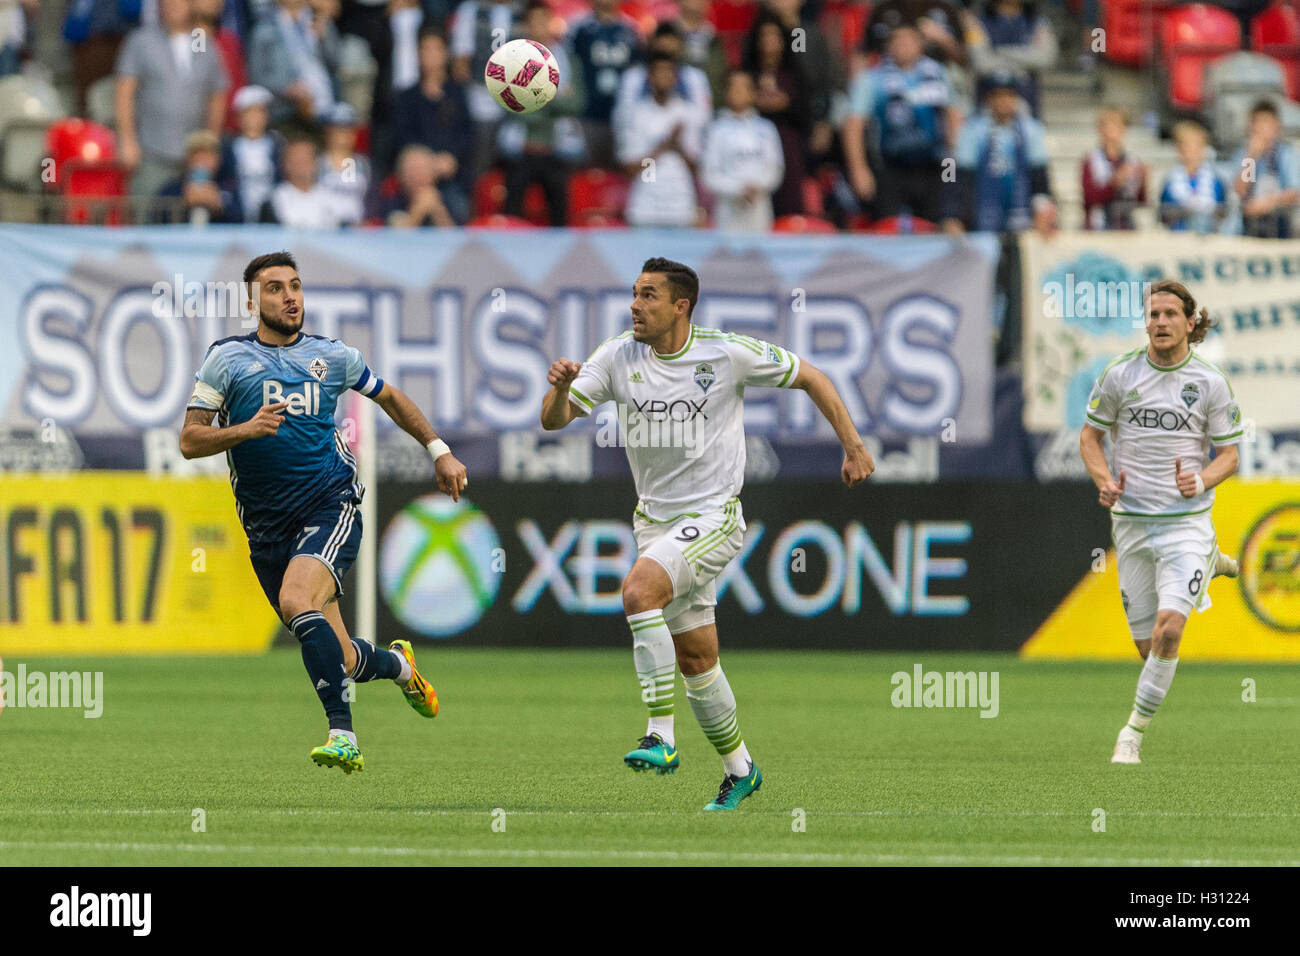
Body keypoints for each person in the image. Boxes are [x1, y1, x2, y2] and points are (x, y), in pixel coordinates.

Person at [540, 257, 875, 810]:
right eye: (633, 294)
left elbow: (813, 376)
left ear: (680, 306)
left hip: (715, 516)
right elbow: (554, 420)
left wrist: (854, 446)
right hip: (655, 523)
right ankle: (740, 769)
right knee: (697, 659)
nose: (635, 305)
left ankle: (660, 736)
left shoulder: (725, 353)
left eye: (649, 295)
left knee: (637, 593)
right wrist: (559, 390)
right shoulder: (618, 355)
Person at [179, 250, 468, 773]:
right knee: (344, 656)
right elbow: (190, 440)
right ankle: (400, 666)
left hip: (329, 502)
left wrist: (439, 450)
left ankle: (343, 734)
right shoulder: (226, 360)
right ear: (252, 300)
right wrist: (245, 429)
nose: (290, 296)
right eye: (275, 288)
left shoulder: (332, 356)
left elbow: (390, 397)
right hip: (266, 527)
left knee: (296, 598)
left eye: (295, 286)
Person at [1078, 281, 1243, 766]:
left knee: (1170, 631)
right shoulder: (1120, 374)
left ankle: (1131, 733)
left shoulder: (1209, 382)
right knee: (1148, 645)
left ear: (1190, 323)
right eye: (1153, 314)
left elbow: (1229, 455)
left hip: (1185, 524)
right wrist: (1104, 480)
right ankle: (1213, 562)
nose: (1161, 322)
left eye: (1171, 314)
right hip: (1131, 523)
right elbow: (1090, 437)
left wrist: (1201, 479)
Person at [843, 22, 956, 225]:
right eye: (896, 40)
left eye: (908, 40)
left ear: (920, 44)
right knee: (888, 228)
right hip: (889, 167)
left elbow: (954, 115)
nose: (902, 45)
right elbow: (854, 125)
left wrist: (952, 161)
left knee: (934, 229)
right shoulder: (872, 79)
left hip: (932, 167)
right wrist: (858, 169)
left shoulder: (938, 73)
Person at [115, 0, 230, 197]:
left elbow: (216, 92)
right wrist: (127, 140)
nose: (172, 6)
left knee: (190, 219)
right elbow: (124, 92)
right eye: (167, 2)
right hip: (150, 152)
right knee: (148, 214)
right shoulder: (142, 41)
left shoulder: (200, 40)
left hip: (193, 156)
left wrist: (211, 142)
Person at [943, 70, 1053, 234]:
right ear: (989, 100)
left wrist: (1043, 210)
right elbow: (959, 177)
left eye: (1008, 96)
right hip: (981, 216)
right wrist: (953, 215)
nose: (1003, 102)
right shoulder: (972, 130)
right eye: (998, 96)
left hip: (1022, 216)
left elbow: (1040, 177)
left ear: (1016, 99)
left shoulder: (1032, 130)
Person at [391, 24, 473, 223]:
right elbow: (403, 137)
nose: (430, 55)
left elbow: (467, 135)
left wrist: (449, 159)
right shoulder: (406, 97)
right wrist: (428, 164)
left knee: (457, 208)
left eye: (436, 49)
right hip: (415, 179)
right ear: (417, 55)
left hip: (451, 178)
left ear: (445, 54)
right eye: (425, 49)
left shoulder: (458, 94)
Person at [616, 50, 705, 227]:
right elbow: (630, 168)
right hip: (645, 206)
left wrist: (678, 146)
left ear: (676, 78)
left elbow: (698, 169)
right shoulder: (637, 115)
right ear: (649, 77)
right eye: (658, 72)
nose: (663, 76)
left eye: (668, 72)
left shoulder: (689, 114)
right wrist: (662, 146)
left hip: (681, 206)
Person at [702, 69, 785, 231]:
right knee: (728, 253)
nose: (738, 92)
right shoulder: (716, 129)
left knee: (759, 253)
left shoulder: (766, 128)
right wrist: (738, 189)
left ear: (753, 93)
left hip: (759, 206)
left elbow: (775, 169)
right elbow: (709, 174)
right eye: (733, 87)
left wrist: (757, 187)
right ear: (726, 92)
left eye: (744, 88)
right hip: (728, 210)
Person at [568, 0, 642, 167]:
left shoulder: (630, 29)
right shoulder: (578, 28)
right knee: (587, 172)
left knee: (620, 172)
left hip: (621, 116)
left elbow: (638, 74)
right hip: (587, 115)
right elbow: (568, 67)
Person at [247, 0, 341, 124]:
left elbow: (336, 63)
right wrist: (288, 89)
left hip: (325, 109)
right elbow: (257, 76)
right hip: (284, 112)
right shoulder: (264, 27)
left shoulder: (319, 20)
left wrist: (325, 38)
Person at [1231, 99, 1300, 239]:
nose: (1261, 128)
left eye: (1266, 122)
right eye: (1257, 122)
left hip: (1281, 224)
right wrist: (1251, 156)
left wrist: (1268, 202)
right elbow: (1240, 190)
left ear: (1277, 126)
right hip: (1249, 227)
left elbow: (1294, 192)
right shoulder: (1244, 155)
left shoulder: (1287, 154)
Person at [221, 84, 284, 224]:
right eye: (250, 112)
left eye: (260, 112)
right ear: (239, 116)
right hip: (237, 220)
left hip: (270, 220)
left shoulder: (277, 146)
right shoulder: (228, 149)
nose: (255, 118)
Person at [259, 136, 349, 227]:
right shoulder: (273, 201)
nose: (301, 165)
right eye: (295, 160)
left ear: (315, 163)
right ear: (285, 164)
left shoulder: (333, 199)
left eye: (305, 159)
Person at [157, 129, 243, 224]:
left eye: (208, 157)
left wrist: (218, 205)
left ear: (218, 160)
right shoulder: (173, 188)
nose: (202, 163)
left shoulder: (228, 187)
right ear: (187, 159)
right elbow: (158, 218)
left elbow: (240, 219)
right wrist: (183, 203)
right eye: (198, 157)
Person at [1081, 106, 1146, 231]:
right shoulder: (1091, 160)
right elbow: (1089, 199)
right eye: (1107, 125)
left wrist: (1143, 181)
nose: (1112, 131)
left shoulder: (1132, 160)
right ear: (1100, 129)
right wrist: (1114, 182)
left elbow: (1140, 201)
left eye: (1117, 125)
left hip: (1126, 225)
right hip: (1099, 225)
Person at [1158, 120, 1225, 234]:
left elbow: (1221, 210)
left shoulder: (1215, 181)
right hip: (1178, 237)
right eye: (1186, 146)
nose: (1191, 152)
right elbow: (1164, 212)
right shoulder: (1170, 181)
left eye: (1196, 146)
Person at [317, 101, 371, 225]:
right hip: (323, 228)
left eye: (348, 129)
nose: (343, 134)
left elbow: (370, 201)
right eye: (338, 129)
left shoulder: (363, 165)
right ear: (327, 132)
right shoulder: (318, 163)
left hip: (356, 231)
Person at [380, 143, 457, 226]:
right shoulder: (391, 199)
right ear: (400, 175)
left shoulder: (449, 199)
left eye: (423, 170)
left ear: (434, 174)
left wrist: (438, 211)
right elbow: (396, 236)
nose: (418, 176)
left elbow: (454, 236)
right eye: (412, 170)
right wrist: (418, 210)